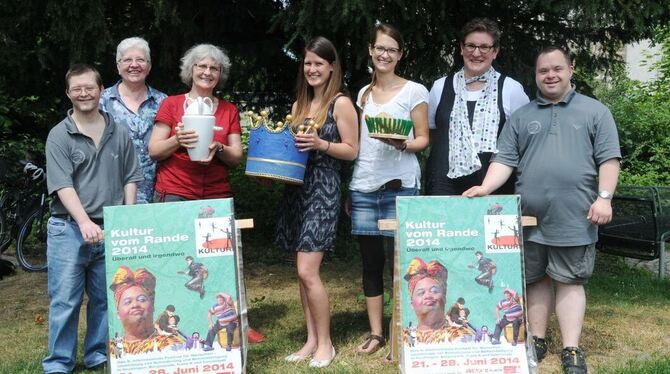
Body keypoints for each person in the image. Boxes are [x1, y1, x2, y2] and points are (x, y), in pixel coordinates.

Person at [463, 46, 621, 374]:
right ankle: (535, 339)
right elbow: (504, 160)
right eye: (543, 70)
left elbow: (609, 159)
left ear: (570, 69)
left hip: (576, 215)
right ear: (535, 74)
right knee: (534, 280)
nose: (550, 75)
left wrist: (604, 197)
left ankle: (571, 348)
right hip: (527, 217)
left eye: (557, 69)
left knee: (570, 281)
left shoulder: (595, 112)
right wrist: (486, 187)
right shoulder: (523, 116)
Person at [43, 64, 142, 374]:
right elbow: (62, 185)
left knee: (104, 298)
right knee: (65, 301)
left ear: (101, 90)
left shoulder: (118, 130)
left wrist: (126, 216)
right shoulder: (60, 135)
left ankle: (98, 353)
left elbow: (131, 175)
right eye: (77, 89)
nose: (84, 93)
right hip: (69, 230)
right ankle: (60, 362)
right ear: (68, 94)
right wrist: (85, 222)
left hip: (111, 226)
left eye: (89, 87)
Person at [276, 36, 358, 368]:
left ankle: (326, 344)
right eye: (308, 63)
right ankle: (310, 340)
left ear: (331, 67)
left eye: (319, 64)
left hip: (323, 189)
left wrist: (322, 144)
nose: (312, 69)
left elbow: (353, 150)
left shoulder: (341, 103)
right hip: (296, 190)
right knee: (300, 273)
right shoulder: (299, 105)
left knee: (308, 270)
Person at [348, 23, 429, 355]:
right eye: (379, 48)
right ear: (370, 50)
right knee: (371, 264)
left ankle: (407, 330)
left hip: (401, 187)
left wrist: (402, 143)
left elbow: (423, 139)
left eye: (391, 50)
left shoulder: (414, 91)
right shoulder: (362, 95)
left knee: (406, 264)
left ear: (400, 54)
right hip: (364, 186)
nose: (384, 54)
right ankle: (377, 333)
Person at [425, 18, 529, 195]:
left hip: (494, 191)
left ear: (495, 51)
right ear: (461, 48)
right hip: (443, 186)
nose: (476, 53)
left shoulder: (511, 89)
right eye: (471, 46)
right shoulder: (440, 87)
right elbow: (434, 132)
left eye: (484, 47)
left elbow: (522, 141)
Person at [148, 43, 243, 202]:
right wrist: (178, 140)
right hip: (174, 191)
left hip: (216, 194)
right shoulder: (171, 104)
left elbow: (236, 158)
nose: (207, 72)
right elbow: (154, 151)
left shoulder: (229, 110)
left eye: (214, 68)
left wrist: (219, 148)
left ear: (220, 74)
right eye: (202, 66)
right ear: (191, 69)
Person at [100, 36, 167, 203]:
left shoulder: (164, 102)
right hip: (112, 194)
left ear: (149, 67)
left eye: (140, 60)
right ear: (118, 67)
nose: (134, 65)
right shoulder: (102, 101)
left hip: (157, 194)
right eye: (127, 60)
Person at [108, 266, 185, 355]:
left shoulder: (171, 344)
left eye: (142, 299)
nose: (135, 305)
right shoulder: (112, 349)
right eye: (128, 302)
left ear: (152, 306)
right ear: (118, 314)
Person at [402, 257, 473, 344]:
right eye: (421, 293)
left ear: (444, 298)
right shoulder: (403, 338)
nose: (428, 296)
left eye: (434, 291)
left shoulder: (459, 335)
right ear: (412, 304)